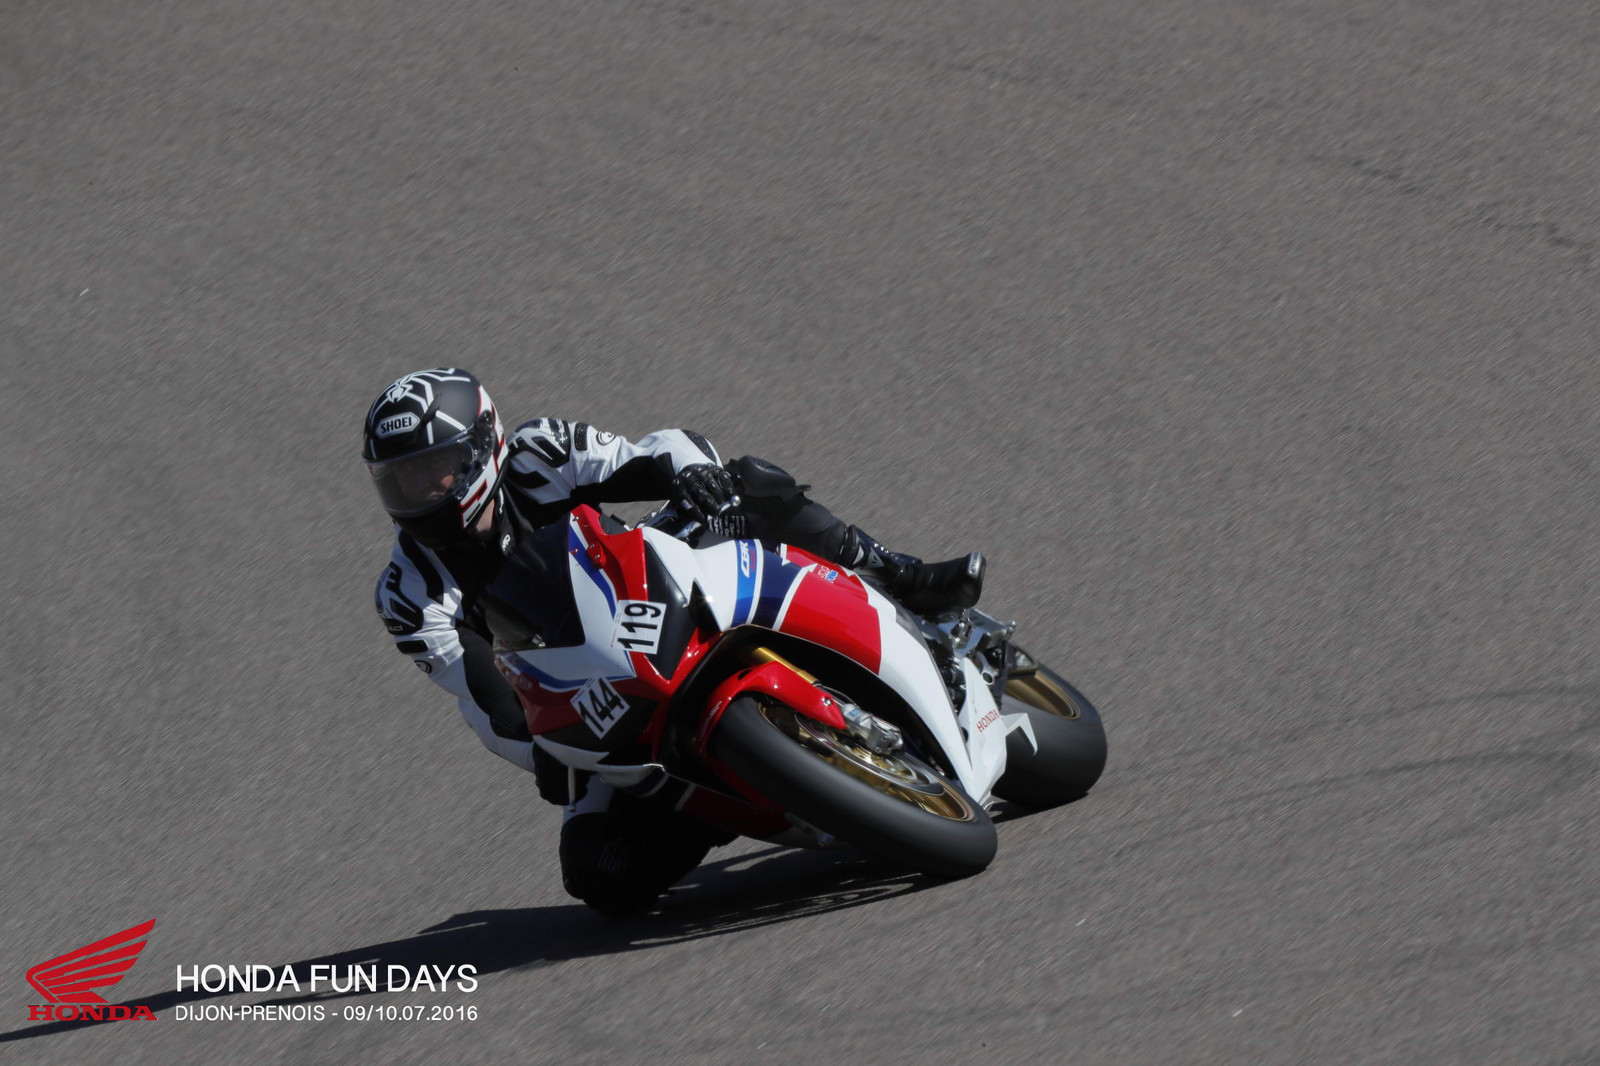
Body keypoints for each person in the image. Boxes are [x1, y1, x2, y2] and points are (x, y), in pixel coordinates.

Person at [364, 367, 984, 913]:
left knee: (748, 483)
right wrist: (543, 752)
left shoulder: (537, 452)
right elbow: (486, 700)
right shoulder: (408, 594)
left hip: (651, 589)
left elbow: (655, 451)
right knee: (598, 876)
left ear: (481, 447)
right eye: (401, 480)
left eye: (432, 471)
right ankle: (742, 792)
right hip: (590, 698)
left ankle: (901, 576)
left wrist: (695, 475)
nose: (420, 493)